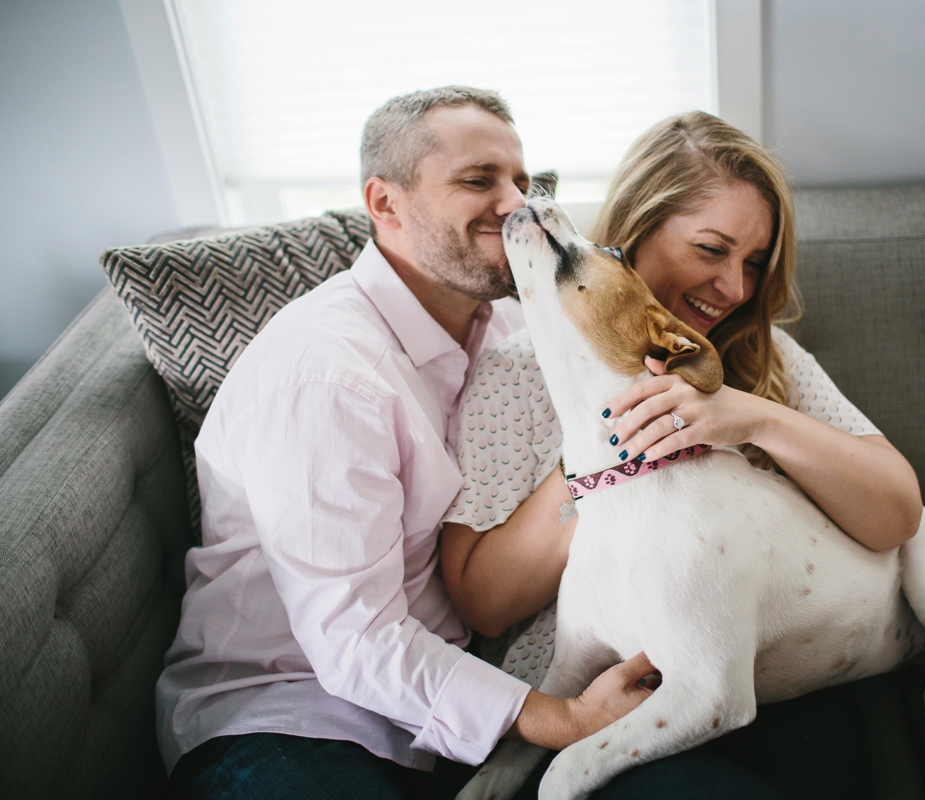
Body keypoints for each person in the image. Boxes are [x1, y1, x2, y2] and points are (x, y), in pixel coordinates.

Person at [156, 87, 659, 800]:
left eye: (523, 181)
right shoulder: (324, 376)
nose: (516, 204)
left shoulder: (513, 332)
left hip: (461, 703)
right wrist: (565, 718)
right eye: (479, 181)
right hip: (292, 717)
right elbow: (353, 641)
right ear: (385, 204)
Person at [439, 111, 924, 799]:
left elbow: (899, 514)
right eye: (711, 248)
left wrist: (753, 417)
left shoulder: (759, 355)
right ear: (638, 229)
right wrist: (605, 463)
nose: (735, 288)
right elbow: (484, 604)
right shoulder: (519, 372)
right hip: (608, 696)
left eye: (754, 263)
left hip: (773, 671)